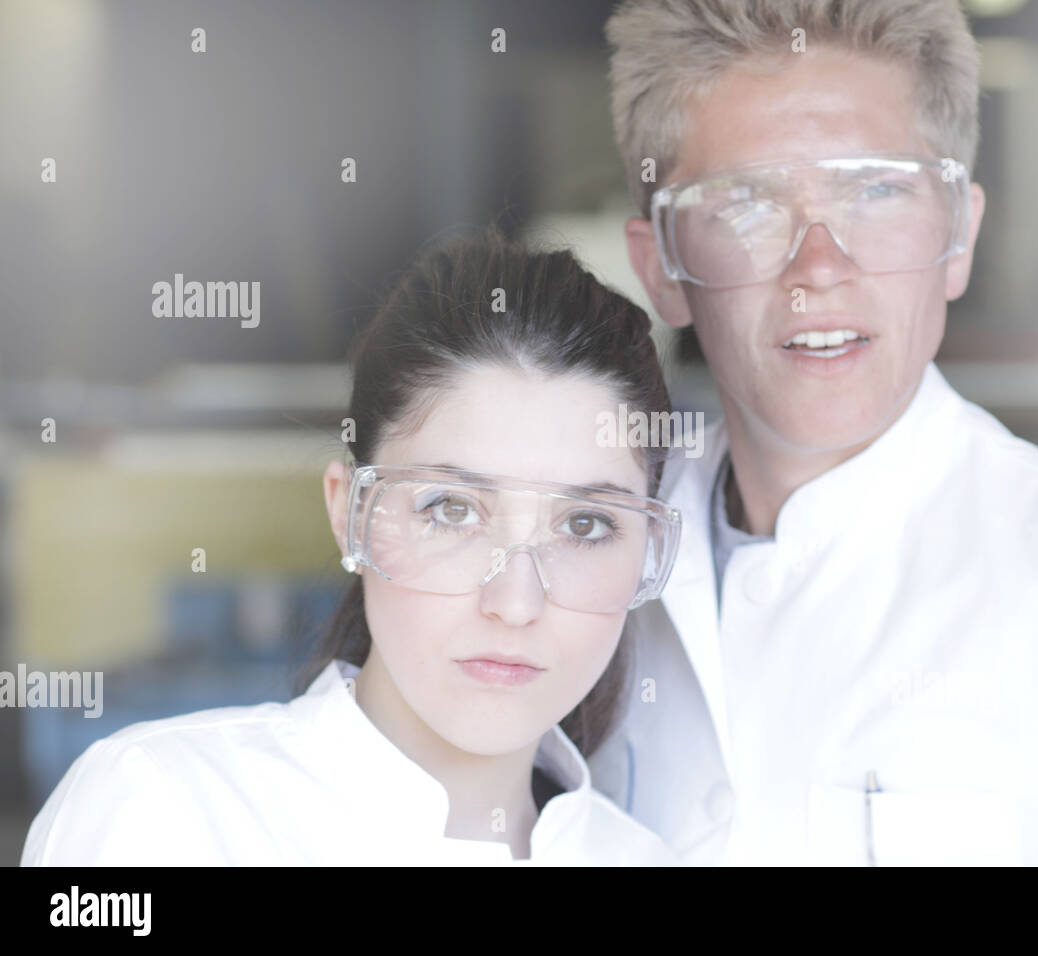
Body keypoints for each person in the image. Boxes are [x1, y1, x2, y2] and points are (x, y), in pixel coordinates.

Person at [587, 0, 1038, 865]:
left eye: (876, 189)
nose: (820, 266)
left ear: (958, 233)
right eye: (746, 201)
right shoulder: (575, 573)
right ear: (661, 266)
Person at [22, 227, 682, 866]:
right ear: (349, 512)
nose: (514, 603)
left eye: (587, 525)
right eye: (451, 510)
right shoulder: (164, 814)